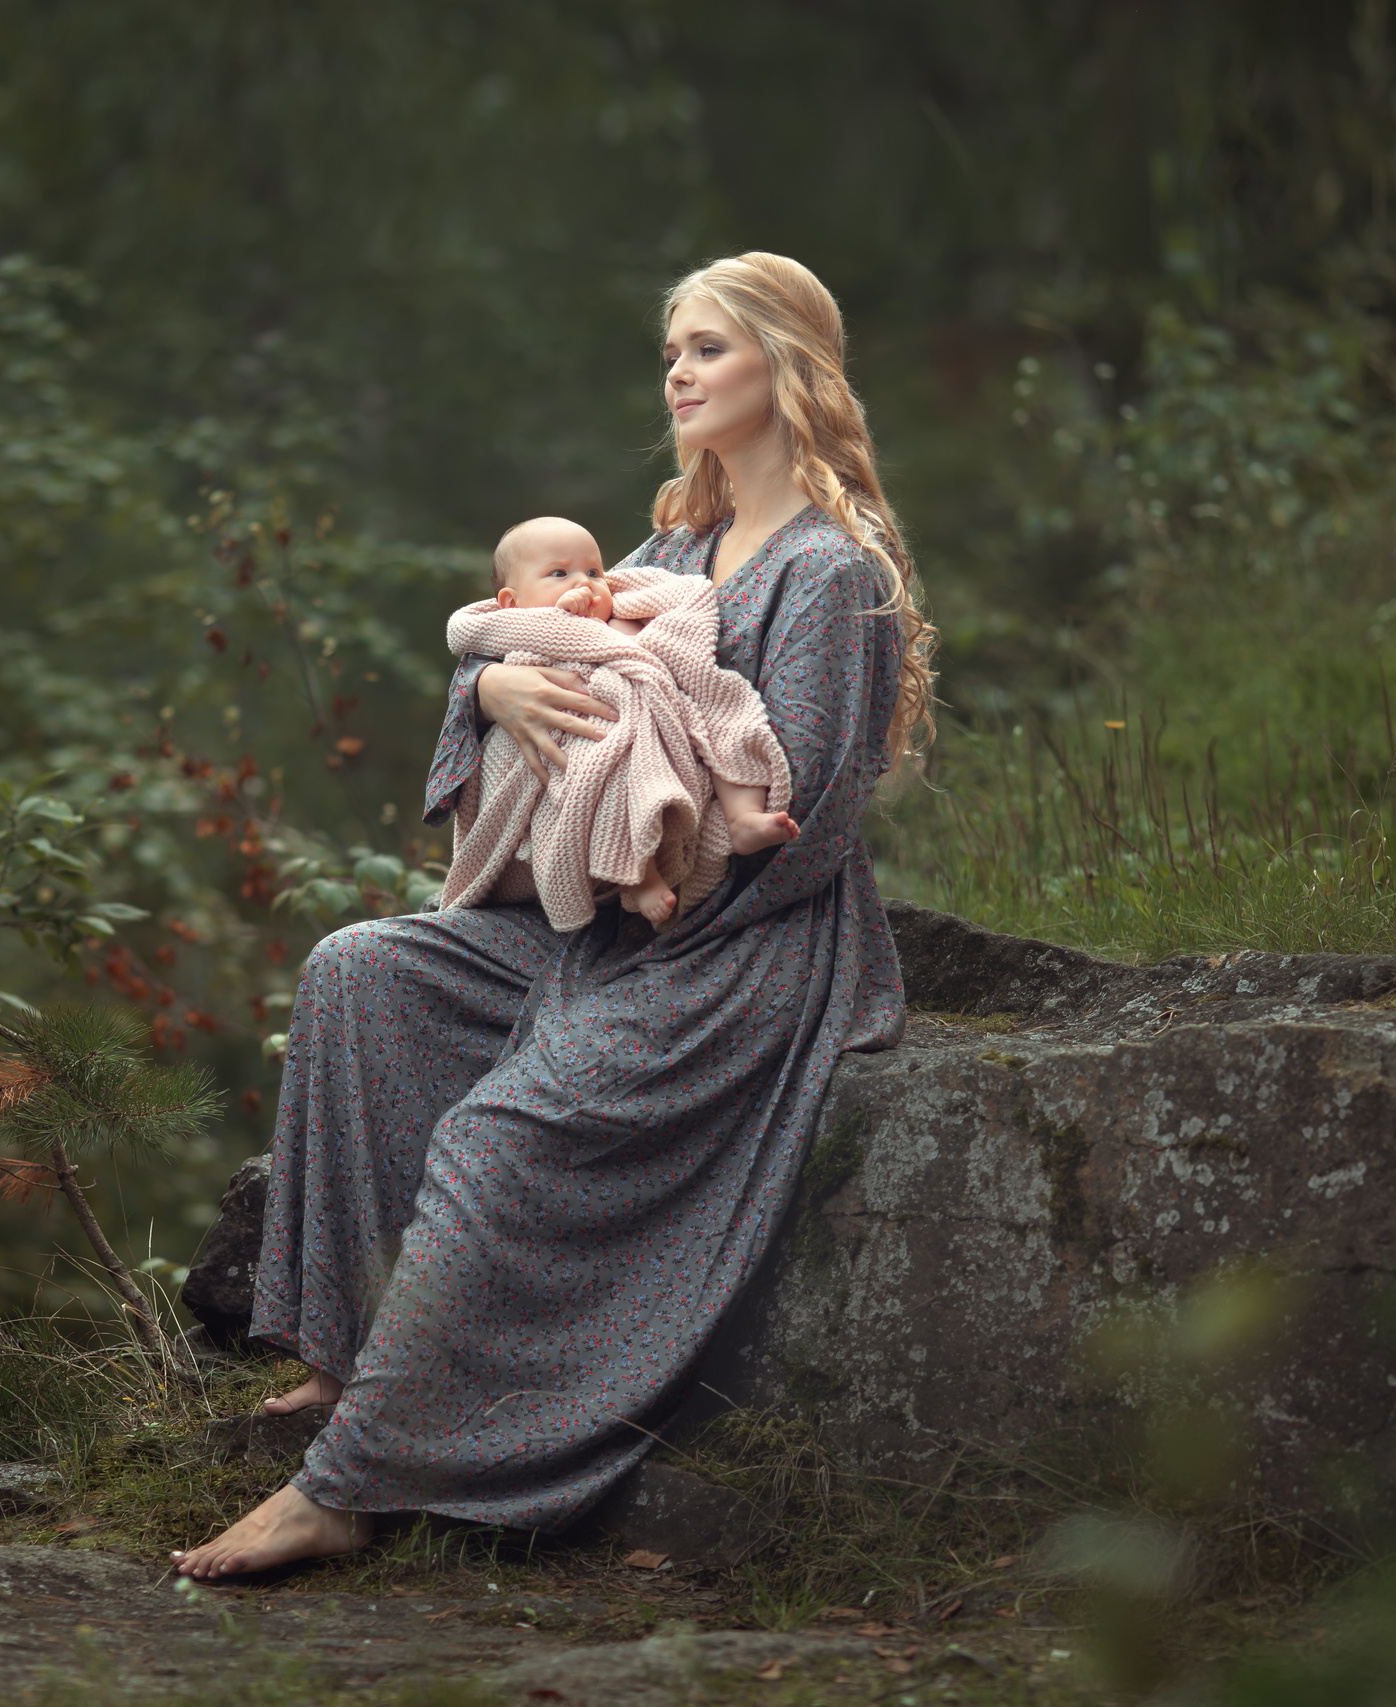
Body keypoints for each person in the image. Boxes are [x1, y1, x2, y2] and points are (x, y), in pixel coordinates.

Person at [172, 251, 936, 1580]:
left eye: (709, 348)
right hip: (599, 919)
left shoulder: (829, 571)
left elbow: (804, 822)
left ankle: (354, 1483)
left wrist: (650, 928)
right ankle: (352, 1356)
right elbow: (510, 646)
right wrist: (487, 701)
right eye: (671, 352)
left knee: (509, 1123)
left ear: (788, 367)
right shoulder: (672, 548)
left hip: (740, 945)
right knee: (360, 968)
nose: (679, 373)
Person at [441, 515, 800, 930]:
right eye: (559, 573)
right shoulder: (518, 628)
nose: (586, 582)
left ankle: (743, 816)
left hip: (650, 708)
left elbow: (673, 646)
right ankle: (640, 875)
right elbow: (495, 673)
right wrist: (489, 680)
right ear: (511, 602)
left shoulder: (629, 611)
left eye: (594, 571)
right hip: (576, 731)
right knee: (596, 773)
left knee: (725, 712)